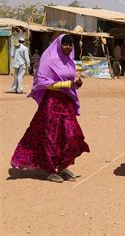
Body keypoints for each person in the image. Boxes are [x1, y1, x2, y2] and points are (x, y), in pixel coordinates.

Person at [11, 34, 89, 183]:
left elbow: (70, 80)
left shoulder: (69, 61)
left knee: (72, 134)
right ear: (59, 45)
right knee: (51, 137)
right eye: (65, 44)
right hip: (52, 103)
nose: (68, 47)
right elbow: (41, 82)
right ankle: (50, 170)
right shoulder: (50, 60)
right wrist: (65, 84)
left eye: (70, 44)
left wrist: (76, 83)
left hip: (66, 104)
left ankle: (62, 167)